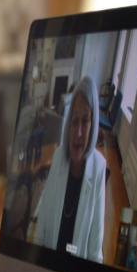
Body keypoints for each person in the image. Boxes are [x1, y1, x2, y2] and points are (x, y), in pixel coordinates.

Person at [29, 76, 106, 261]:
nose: (78, 132)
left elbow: (95, 248)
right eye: (74, 121)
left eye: (85, 121)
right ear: (68, 124)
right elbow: (42, 226)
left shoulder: (99, 167)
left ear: (93, 124)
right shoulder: (57, 157)